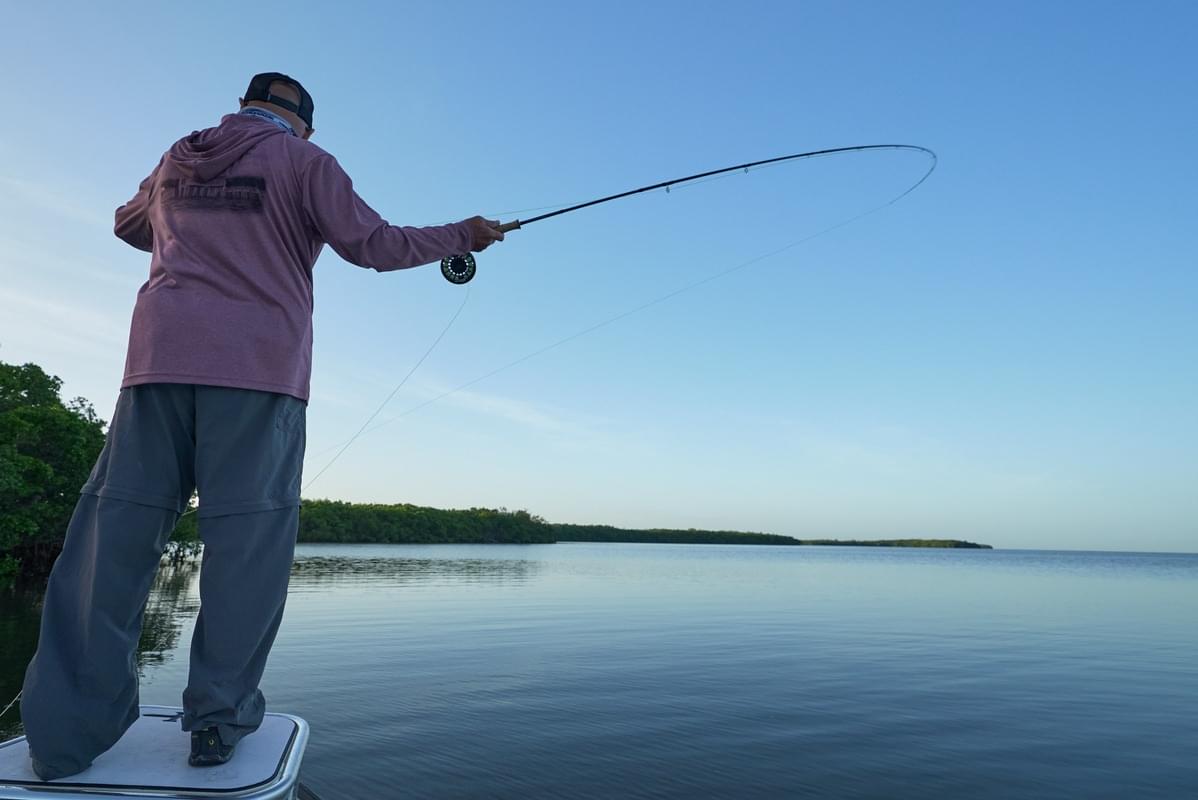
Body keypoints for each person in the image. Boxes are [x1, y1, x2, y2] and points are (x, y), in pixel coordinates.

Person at [19, 71, 505, 780]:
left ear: (245, 107)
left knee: (111, 539)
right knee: (245, 551)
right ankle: (217, 723)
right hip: (257, 373)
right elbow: (375, 244)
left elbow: (128, 225)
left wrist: (193, 227)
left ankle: (62, 738)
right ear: (301, 124)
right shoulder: (306, 164)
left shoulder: (176, 158)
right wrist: (466, 233)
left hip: (154, 367)